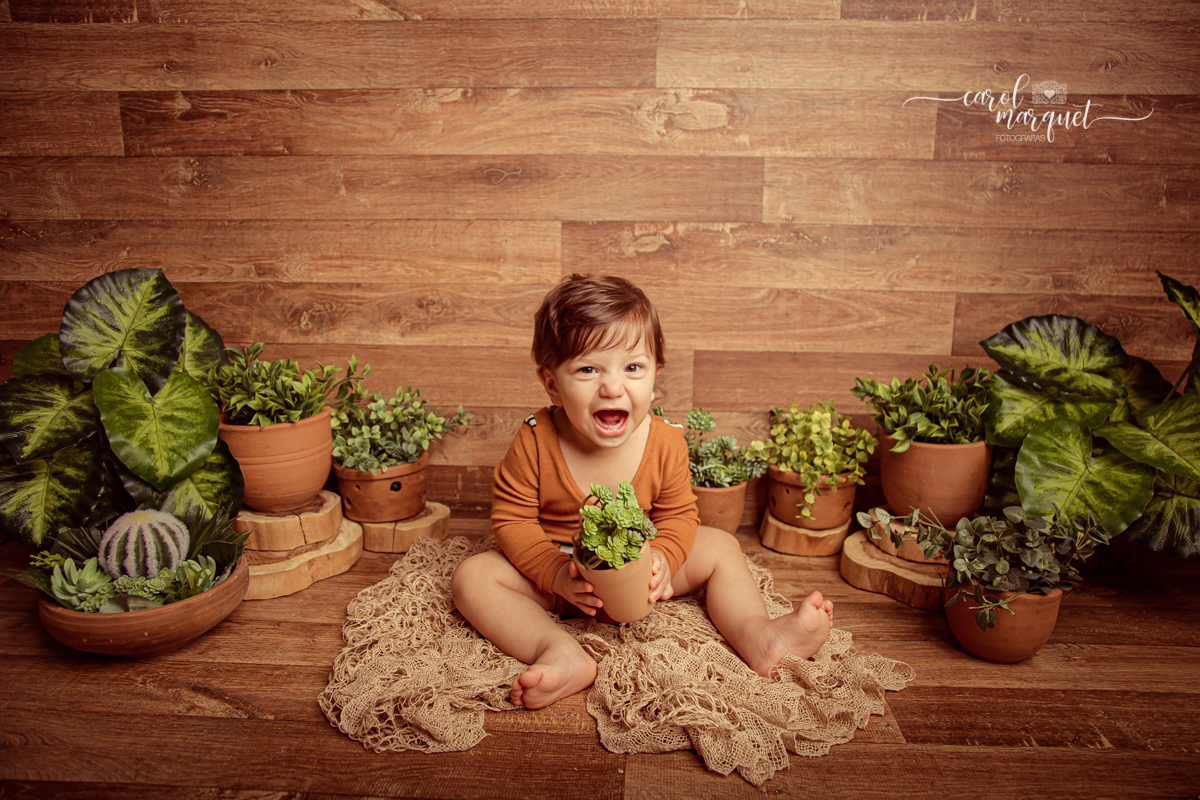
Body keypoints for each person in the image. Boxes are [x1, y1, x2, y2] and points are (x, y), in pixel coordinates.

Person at [451, 274, 833, 710]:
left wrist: (664, 559)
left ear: (655, 375)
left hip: (639, 576)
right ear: (552, 383)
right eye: (588, 369)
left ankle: (759, 637)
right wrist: (554, 574)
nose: (613, 387)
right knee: (472, 577)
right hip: (561, 576)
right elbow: (512, 520)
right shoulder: (535, 440)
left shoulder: (665, 441)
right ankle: (558, 650)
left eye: (632, 368)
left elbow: (678, 516)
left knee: (721, 547)